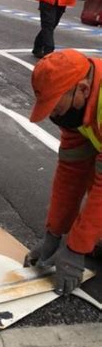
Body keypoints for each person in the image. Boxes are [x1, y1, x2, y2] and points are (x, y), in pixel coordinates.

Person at [25, 49, 101, 295]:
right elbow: (71, 173)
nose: (55, 117)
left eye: (56, 109)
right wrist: (54, 234)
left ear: (83, 89)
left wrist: (77, 247)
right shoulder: (76, 113)